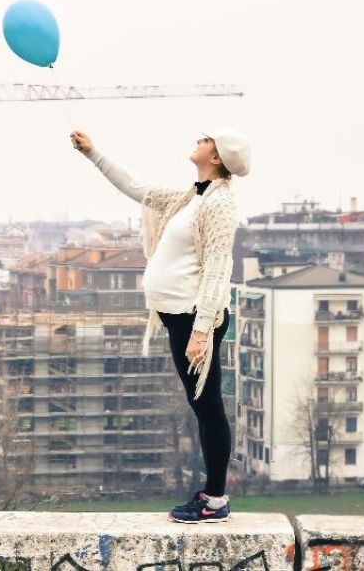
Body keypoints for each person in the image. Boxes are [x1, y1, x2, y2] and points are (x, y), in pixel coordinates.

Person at [70, 127, 251, 523]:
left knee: (208, 407)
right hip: (180, 317)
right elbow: (137, 188)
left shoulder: (218, 205)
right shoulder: (190, 197)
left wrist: (202, 331)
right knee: (203, 405)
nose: (198, 140)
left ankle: (215, 500)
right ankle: (214, 496)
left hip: (194, 318)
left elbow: (220, 266)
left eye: (206, 139)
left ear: (216, 157)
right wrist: (92, 152)